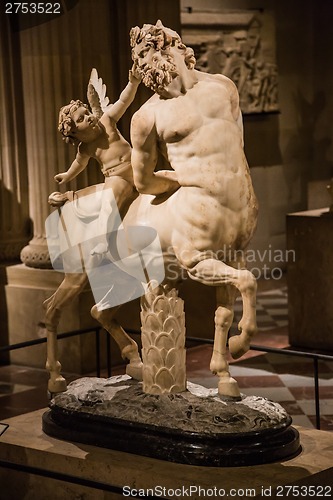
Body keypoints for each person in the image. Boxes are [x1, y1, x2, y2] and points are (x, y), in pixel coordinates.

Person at [56, 66, 140, 255]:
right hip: (117, 178)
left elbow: (123, 101)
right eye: (81, 119)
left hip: (137, 165)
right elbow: (79, 163)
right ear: (74, 132)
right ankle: (103, 240)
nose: (89, 117)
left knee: (163, 179)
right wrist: (67, 175)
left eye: (87, 112)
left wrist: (133, 83)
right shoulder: (85, 148)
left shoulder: (107, 121)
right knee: (109, 205)